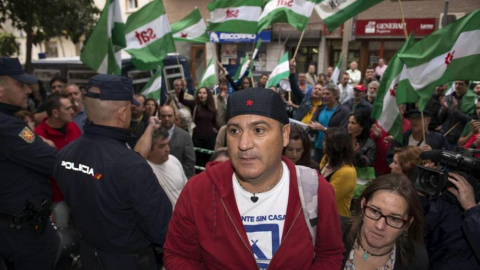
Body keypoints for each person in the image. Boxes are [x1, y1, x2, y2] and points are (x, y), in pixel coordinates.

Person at [164, 88, 345, 269]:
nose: (243, 144)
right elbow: (179, 256)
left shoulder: (315, 190)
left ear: (285, 135)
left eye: (258, 130)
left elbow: (329, 254)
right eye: (234, 131)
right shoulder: (198, 191)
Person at [53, 74, 172, 269]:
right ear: (123, 112)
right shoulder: (130, 165)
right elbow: (164, 229)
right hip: (130, 261)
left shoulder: (65, 155)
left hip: (90, 256)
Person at [0, 57, 59, 269]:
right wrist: (46, 144)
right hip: (22, 234)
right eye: (20, 85)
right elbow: (53, 162)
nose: (28, 90)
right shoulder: (10, 127)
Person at [341, 174, 428, 269]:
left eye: (394, 219)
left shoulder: (416, 261)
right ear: (363, 206)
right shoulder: (334, 233)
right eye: (375, 211)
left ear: (407, 224)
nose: (380, 226)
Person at [34, 93, 81, 228]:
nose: (72, 112)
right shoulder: (39, 135)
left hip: (77, 194)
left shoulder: (73, 127)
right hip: (56, 197)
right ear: (55, 112)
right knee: (61, 235)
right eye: (67, 109)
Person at [319, 127, 356, 217]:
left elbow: (328, 198)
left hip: (336, 218)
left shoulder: (347, 172)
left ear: (334, 147)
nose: (323, 144)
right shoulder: (326, 159)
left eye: (326, 142)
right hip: (321, 214)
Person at [178, 87, 219, 168]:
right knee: (199, 161)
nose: (202, 95)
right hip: (197, 138)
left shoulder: (212, 107)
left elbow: (214, 123)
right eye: (200, 93)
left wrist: (223, 130)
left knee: (210, 160)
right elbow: (181, 100)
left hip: (210, 138)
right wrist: (183, 88)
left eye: (204, 93)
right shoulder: (194, 104)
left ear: (208, 95)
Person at [309, 83, 350, 162]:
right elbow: (313, 124)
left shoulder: (344, 111)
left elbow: (343, 131)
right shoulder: (320, 108)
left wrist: (324, 129)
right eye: (323, 94)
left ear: (336, 95)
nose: (324, 96)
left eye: (327, 94)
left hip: (334, 150)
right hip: (318, 148)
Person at [159, 105, 196, 179]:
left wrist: (181, 177)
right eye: (163, 116)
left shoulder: (184, 136)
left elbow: (190, 160)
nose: (166, 119)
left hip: (179, 178)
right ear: (159, 117)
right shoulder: (152, 133)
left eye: (169, 116)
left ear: (175, 117)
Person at [439, 80, 477, 145]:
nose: (457, 86)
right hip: (444, 134)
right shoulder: (448, 97)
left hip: (460, 138)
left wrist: (456, 111)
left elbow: (472, 120)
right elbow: (440, 118)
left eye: (460, 84)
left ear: (467, 85)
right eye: (456, 83)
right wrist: (444, 109)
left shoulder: (473, 100)